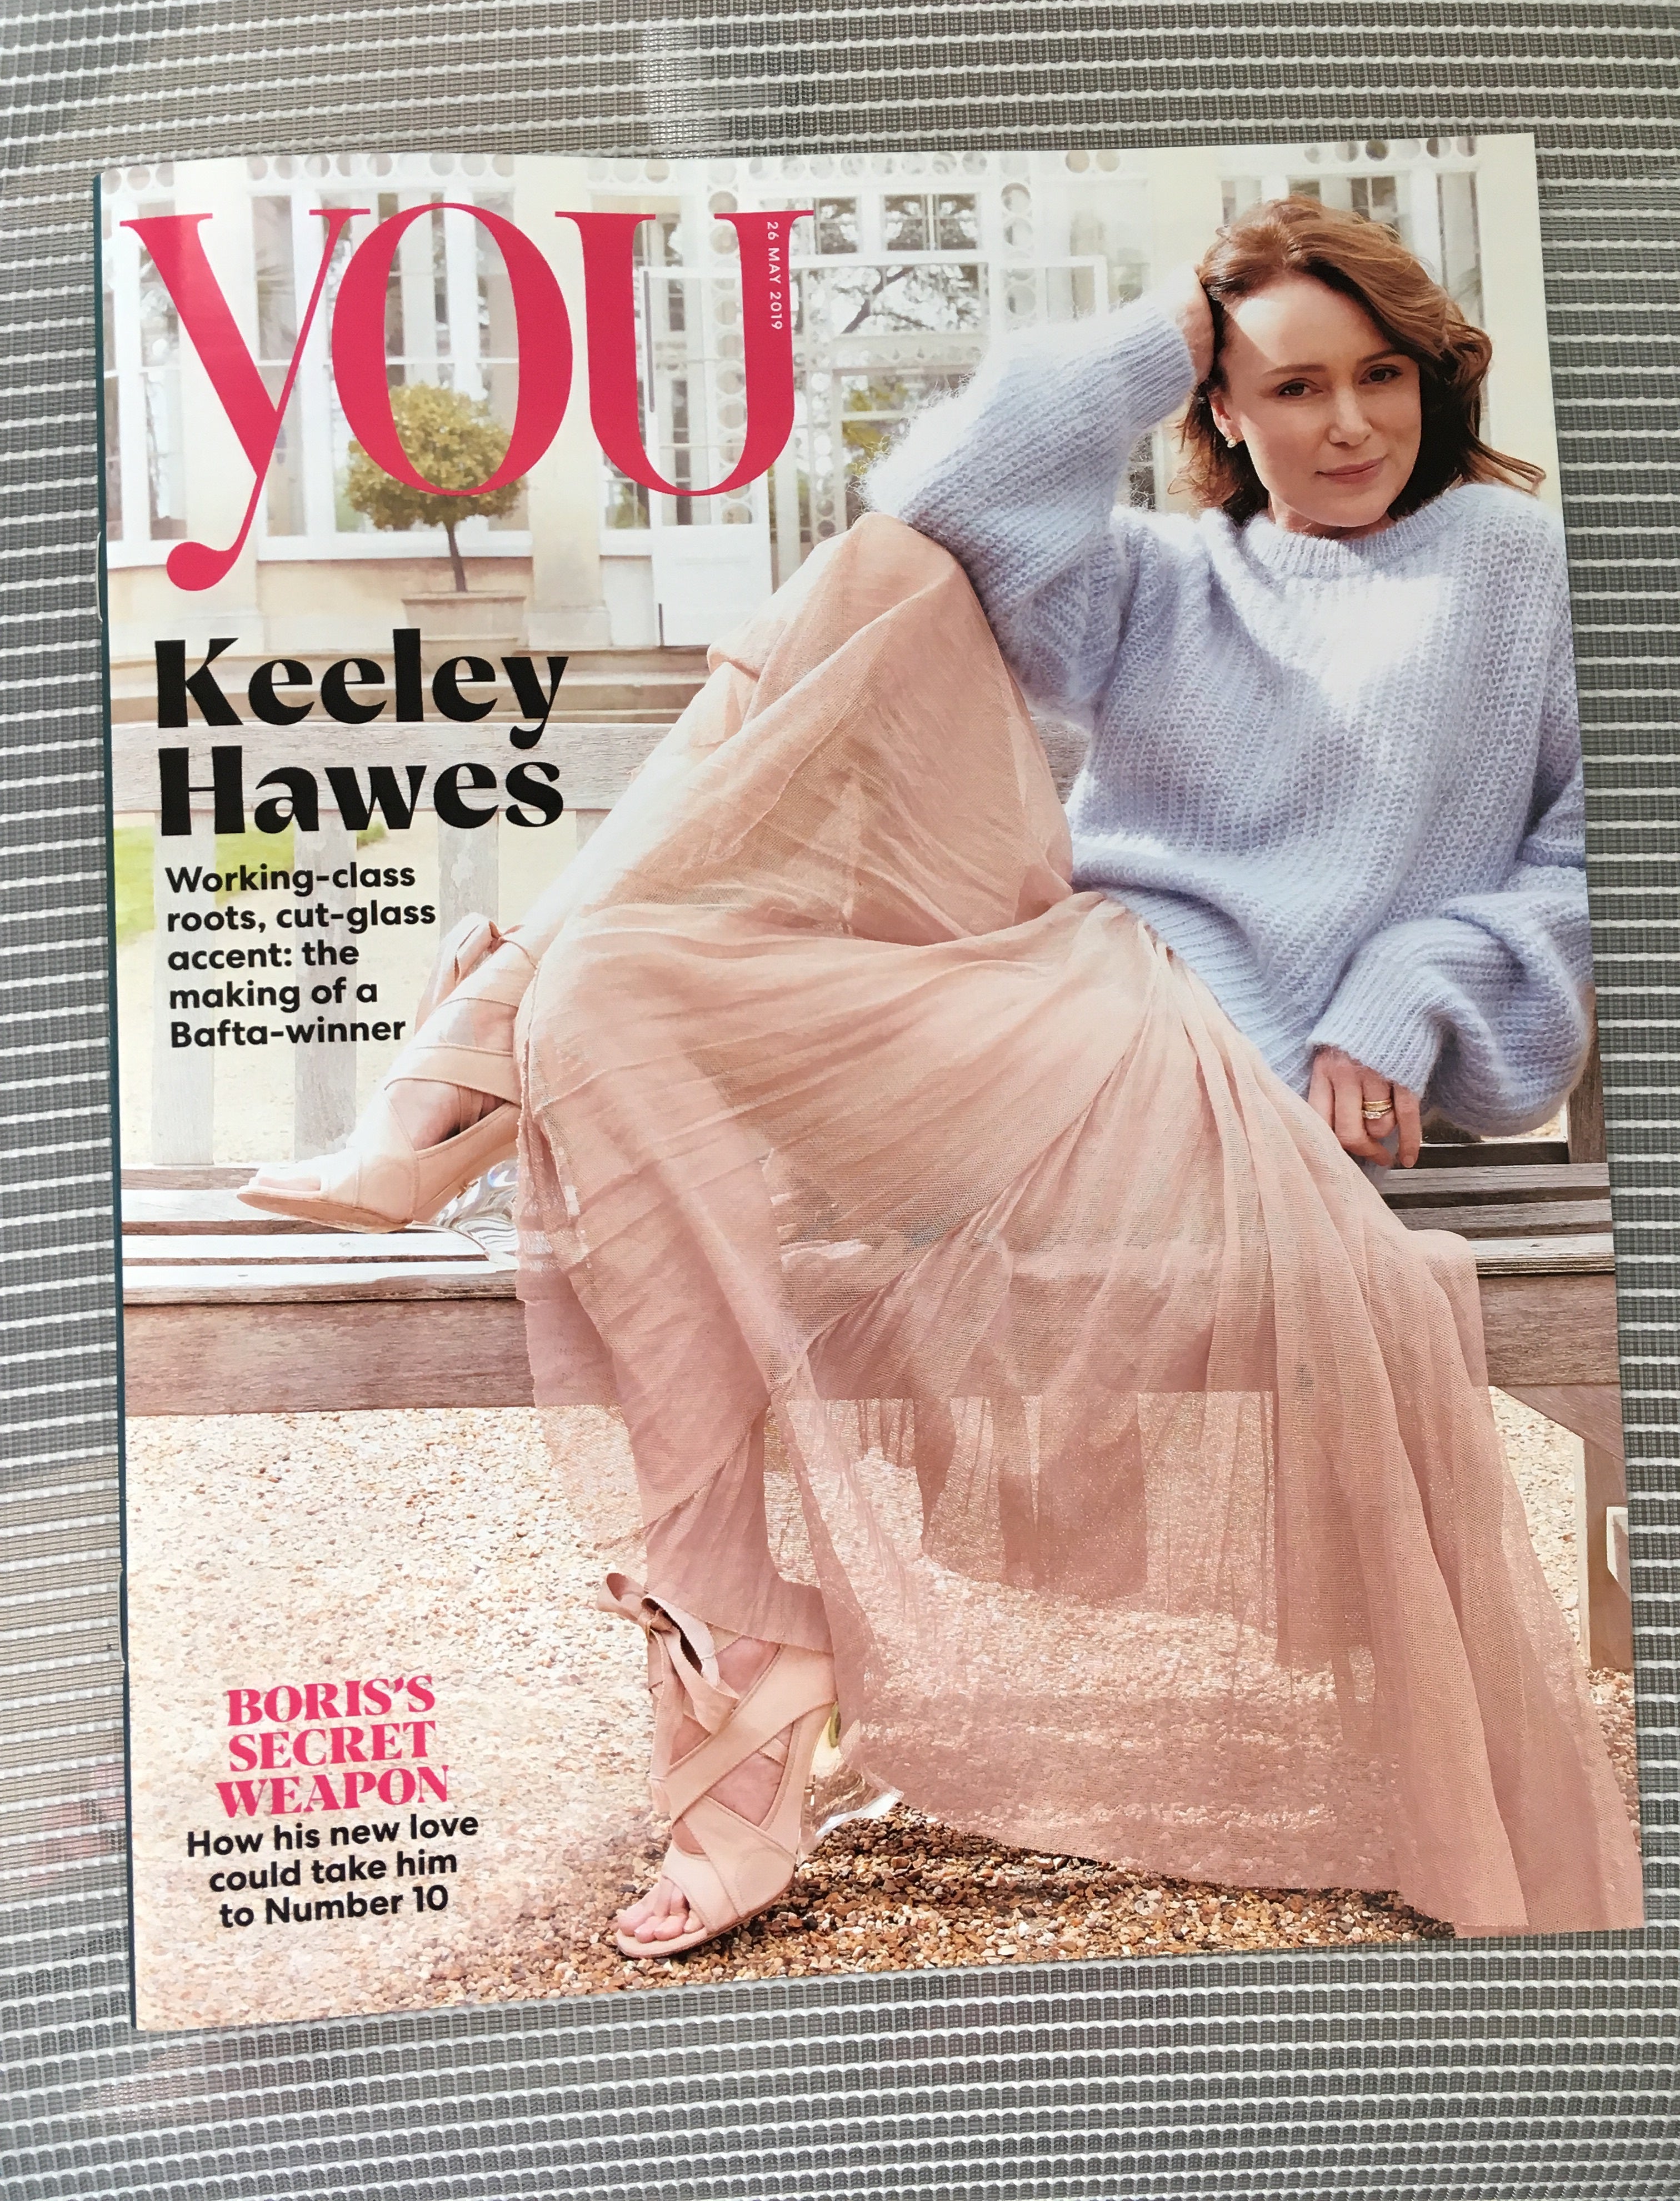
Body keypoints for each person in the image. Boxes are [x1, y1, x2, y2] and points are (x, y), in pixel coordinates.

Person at [242, 198, 1641, 1956]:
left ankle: (457, 1071)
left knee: (626, 938)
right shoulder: (1165, 578)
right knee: (777, 736)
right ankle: (738, 1605)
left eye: (1381, 377)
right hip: (1050, 990)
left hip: (1219, 1084)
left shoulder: (1513, 566)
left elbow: (1600, 861)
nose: (1348, 424)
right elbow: (945, 491)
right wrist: (1172, 323)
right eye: (1290, 387)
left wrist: (1414, 978)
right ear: (1219, 407)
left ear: (1434, 380)